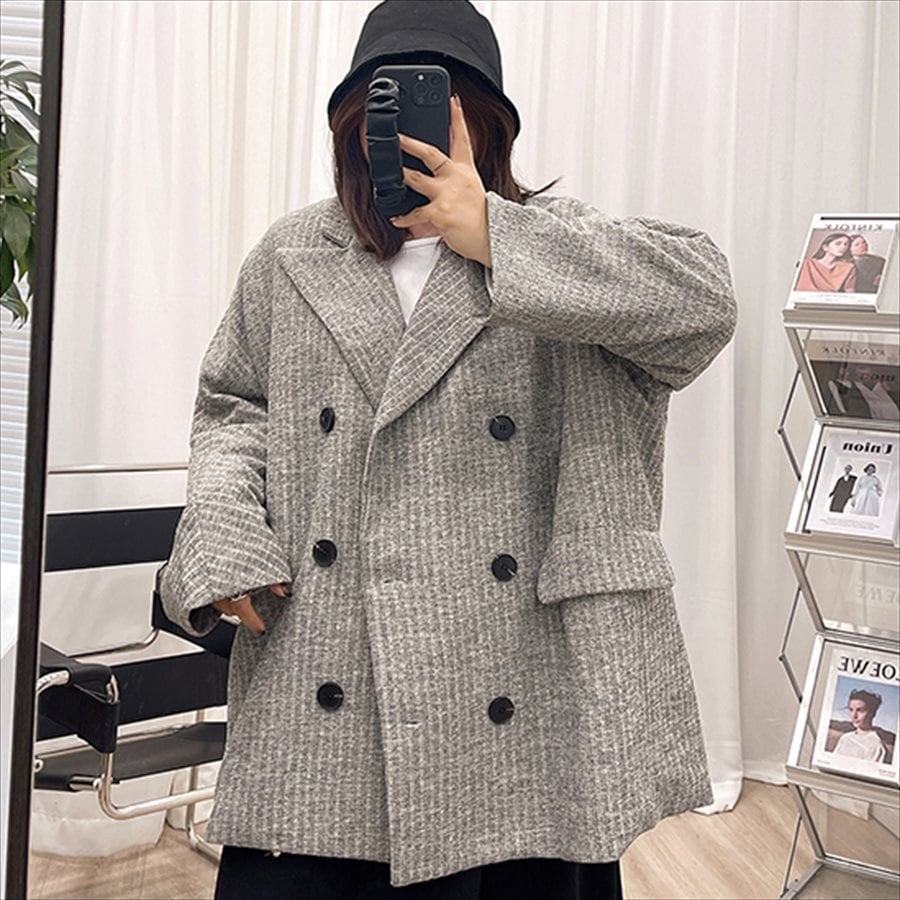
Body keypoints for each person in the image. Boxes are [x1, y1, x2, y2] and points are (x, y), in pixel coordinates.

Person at [160, 1, 737, 897]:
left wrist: (497, 234)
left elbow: (705, 305)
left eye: (440, 105)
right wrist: (226, 530)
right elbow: (235, 406)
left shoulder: (558, 246)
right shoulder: (293, 254)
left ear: (489, 124)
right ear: (350, 127)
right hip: (327, 672)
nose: (404, 136)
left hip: (529, 690)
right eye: (378, 111)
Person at [833, 689, 888, 763]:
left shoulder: (876, 744)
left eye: (860, 710)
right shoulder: (845, 738)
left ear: (872, 713)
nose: (854, 715)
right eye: (851, 710)